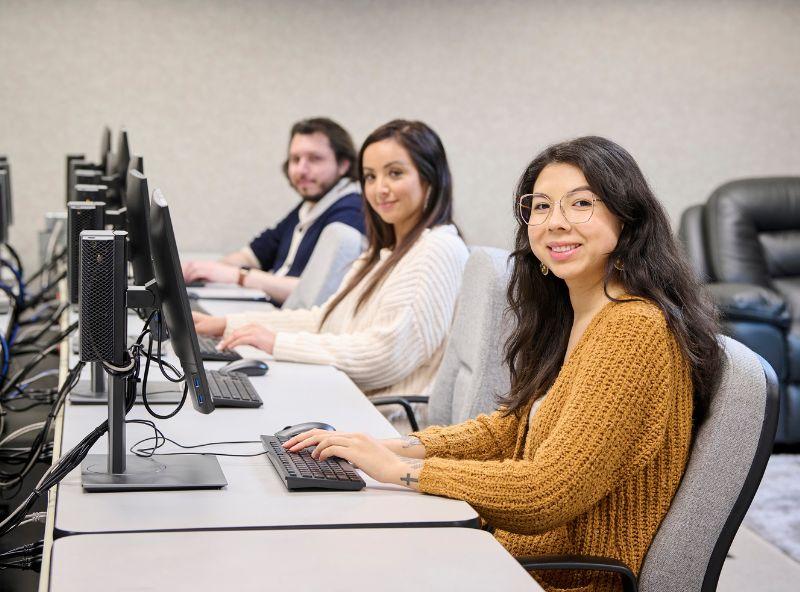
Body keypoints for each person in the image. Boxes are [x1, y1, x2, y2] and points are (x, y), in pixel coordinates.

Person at [282, 136, 723, 591]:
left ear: (626, 219)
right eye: (541, 206)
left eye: (581, 204)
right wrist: (391, 448)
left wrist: (401, 473)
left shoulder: (633, 330)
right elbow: (511, 430)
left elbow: (547, 491)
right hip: (515, 556)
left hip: (562, 581)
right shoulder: (576, 313)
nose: (556, 223)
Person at [194, 120, 469, 398]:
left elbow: (385, 357)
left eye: (395, 173)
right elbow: (325, 321)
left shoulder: (437, 249)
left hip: (384, 420)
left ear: (430, 178)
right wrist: (228, 325)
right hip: (350, 400)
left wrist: (277, 343)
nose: (379, 189)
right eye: (371, 177)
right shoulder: (383, 254)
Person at [182, 117, 365, 304]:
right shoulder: (310, 206)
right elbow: (253, 255)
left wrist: (239, 276)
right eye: (295, 159)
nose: (301, 169)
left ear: (344, 164)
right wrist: (207, 270)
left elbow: (314, 294)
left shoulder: (351, 213)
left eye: (314, 159)